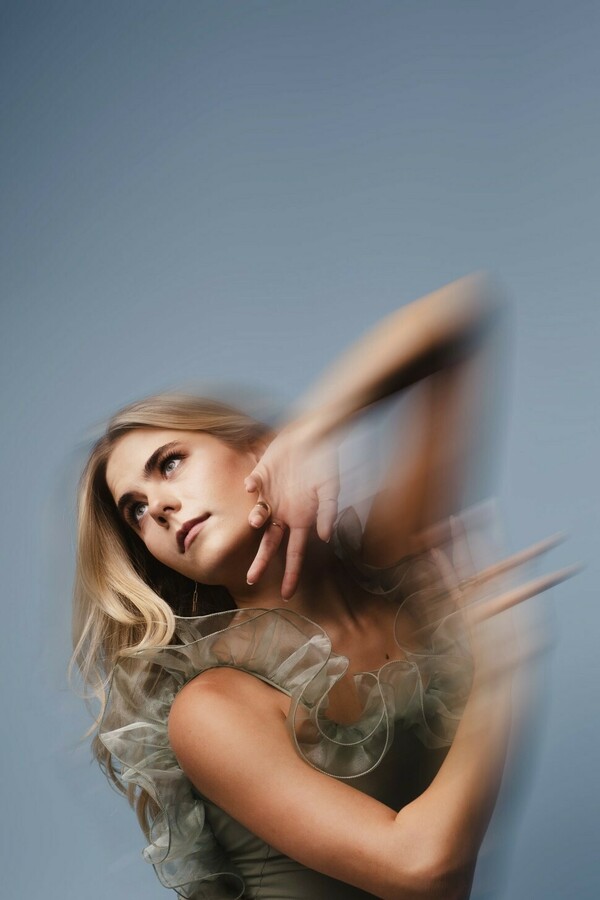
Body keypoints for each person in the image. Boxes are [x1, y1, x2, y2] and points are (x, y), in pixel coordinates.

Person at [72, 275, 572, 900]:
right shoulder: (215, 708)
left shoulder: (397, 561)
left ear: (255, 447)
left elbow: (461, 322)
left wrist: (316, 425)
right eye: (137, 510)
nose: (161, 509)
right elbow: (426, 873)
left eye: (170, 463)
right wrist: (501, 675)